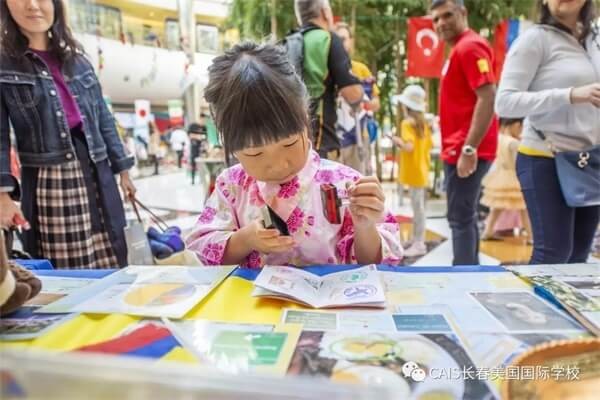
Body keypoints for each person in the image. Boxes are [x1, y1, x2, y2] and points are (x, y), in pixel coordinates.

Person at [186, 42, 402, 268]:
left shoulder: (344, 183)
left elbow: (374, 263)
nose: (278, 165)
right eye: (255, 153)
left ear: (305, 119)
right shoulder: (231, 186)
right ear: (228, 144)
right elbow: (202, 251)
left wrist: (365, 226)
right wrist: (246, 239)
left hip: (327, 300)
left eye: (289, 144)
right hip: (254, 303)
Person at [0, 0, 136, 268]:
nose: (32, 5)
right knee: (68, 269)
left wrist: (124, 171)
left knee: (112, 256)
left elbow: (104, 119)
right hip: (51, 177)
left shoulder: (77, 60)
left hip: (97, 171)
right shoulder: (6, 64)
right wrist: (2, 196)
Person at [496, 0, 600, 264]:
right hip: (544, 157)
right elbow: (504, 102)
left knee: (578, 256)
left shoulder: (594, 40)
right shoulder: (535, 39)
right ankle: (532, 307)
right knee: (553, 253)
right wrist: (570, 95)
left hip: (589, 161)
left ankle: (569, 308)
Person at [431, 0, 499, 265]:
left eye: (447, 15)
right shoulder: (460, 49)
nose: (441, 23)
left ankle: (461, 277)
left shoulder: (470, 46)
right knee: (464, 216)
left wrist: (469, 149)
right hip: (459, 148)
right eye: (435, 19)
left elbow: (487, 97)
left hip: (467, 149)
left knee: (460, 218)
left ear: (463, 13)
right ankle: (470, 272)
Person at [293, 0, 364, 161]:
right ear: (325, 12)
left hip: (290, 143)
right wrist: (360, 91)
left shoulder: (288, 42)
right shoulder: (328, 39)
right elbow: (352, 93)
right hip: (320, 142)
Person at [392, 85, 433, 258]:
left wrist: (396, 140)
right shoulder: (424, 124)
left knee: (418, 208)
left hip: (414, 172)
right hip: (422, 169)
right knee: (418, 208)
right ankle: (417, 239)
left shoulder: (406, 124)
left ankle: (419, 243)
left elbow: (408, 147)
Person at [334, 22, 381, 174]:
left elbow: (376, 103)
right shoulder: (325, 71)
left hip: (359, 136)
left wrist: (363, 105)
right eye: (337, 39)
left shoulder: (361, 69)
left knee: (358, 183)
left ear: (351, 41)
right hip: (333, 138)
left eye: (344, 39)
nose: (341, 43)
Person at [480, 118, 532, 242]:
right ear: (515, 125)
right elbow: (517, 163)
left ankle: (488, 232)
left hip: (499, 175)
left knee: (497, 207)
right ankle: (531, 236)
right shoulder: (514, 143)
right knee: (524, 208)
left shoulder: (499, 138)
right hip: (513, 176)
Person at [187, 120, 207, 185]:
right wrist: (199, 137)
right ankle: (193, 180)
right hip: (194, 148)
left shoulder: (204, 127)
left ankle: (202, 179)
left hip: (202, 148)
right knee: (193, 164)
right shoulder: (193, 126)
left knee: (202, 165)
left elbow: (204, 137)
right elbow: (191, 136)